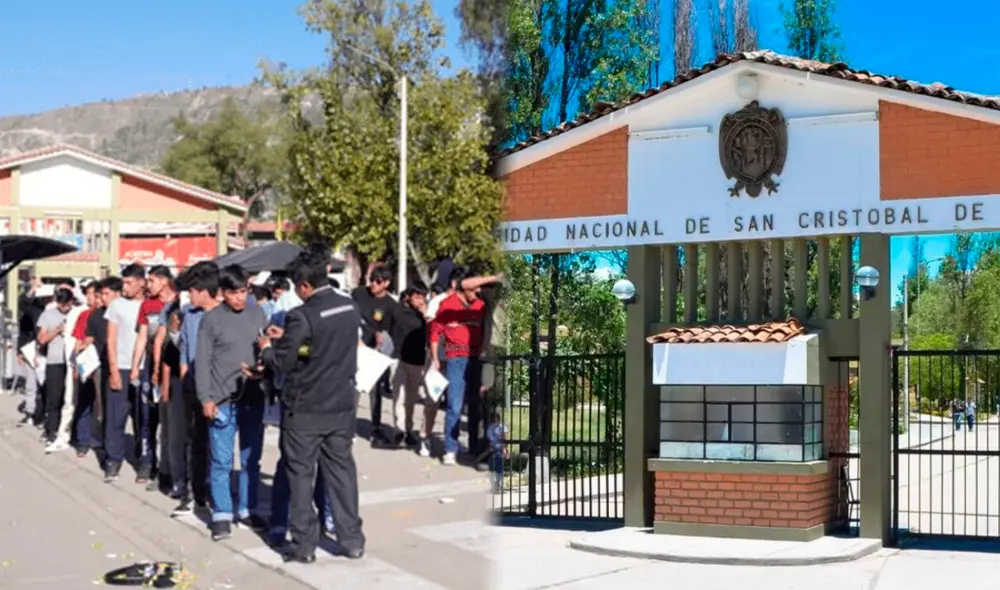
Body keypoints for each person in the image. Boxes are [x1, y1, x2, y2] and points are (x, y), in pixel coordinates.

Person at [257, 252, 365, 564]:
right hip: (341, 405)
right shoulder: (349, 307)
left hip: (305, 408)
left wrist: (268, 348)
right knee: (342, 474)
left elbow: (284, 362)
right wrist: (289, 339)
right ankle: (352, 540)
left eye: (297, 287)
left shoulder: (301, 315)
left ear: (305, 285)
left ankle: (304, 545)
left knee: (301, 476)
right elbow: (318, 347)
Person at [195, 264, 269, 541]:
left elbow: (265, 350)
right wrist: (206, 398)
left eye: (244, 291)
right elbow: (202, 361)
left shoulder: (257, 313)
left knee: (251, 459)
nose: (240, 298)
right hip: (222, 400)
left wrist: (263, 370)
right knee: (222, 461)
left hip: (253, 396)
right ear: (222, 293)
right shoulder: (211, 320)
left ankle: (248, 509)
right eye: (234, 293)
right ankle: (222, 514)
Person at [170, 261, 218, 517]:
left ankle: (215, 493)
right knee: (194, 442)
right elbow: (185, 350)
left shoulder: (223, 315)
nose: (188, 296)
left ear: (204, 290)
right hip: (192, 387)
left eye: (191, 291)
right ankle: (194, 494)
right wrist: (186, 378)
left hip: (218, 388)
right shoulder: (189, 314)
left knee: (217, 445)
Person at [429, 269, 489, 466]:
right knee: (454, 405)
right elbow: (435, 332)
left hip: (476, 359)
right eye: (474, 287)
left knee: (474, 405)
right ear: (464, 286)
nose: (478, 291)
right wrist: (435, 358)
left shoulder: (481, 305)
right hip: (455, 360)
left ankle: (473, 448)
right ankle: (450, 449)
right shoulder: (448, 305)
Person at [130, 265, 176, 488]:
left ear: (164, 281)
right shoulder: (147, 305)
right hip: (150, 366)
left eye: (152, 281)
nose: (148, 285)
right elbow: (142, 337)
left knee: (170, 420)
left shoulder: (178, 303)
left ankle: (168, 469)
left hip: (172, 366)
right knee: (148, 417)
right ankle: (147, 462)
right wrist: (135, 367)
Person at [104, 264, 146, 482]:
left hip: (143, 368)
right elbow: (110, 339)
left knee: (143, 418)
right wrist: (113, 370)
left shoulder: (150, 305)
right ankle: (113, 460)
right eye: (123, 282)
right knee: (116, 417)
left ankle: (143, 460)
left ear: (141, 282)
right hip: (121, 366)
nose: (125, 287)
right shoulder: (117, 306)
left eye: (129, 283)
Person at [385, 284, 434, 453]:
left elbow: (433, 332)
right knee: (398, 396)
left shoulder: (425, 313)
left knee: (411, 399)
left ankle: (409, 429)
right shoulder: (396, 310)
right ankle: (399, 430)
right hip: (398, 358)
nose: (420, 300)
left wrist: (425, 313)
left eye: (423, 297)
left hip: (418, 360)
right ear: (409, 296)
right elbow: (386, 328)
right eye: (417, 297)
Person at [352, 265, 395, 446]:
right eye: (372, 280)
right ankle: (349, 428)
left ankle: (375, 428)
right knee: (353, 389)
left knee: (376, 391)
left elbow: (389, 329)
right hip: (355, 346)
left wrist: (382, 337)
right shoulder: (359, 294)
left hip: (374, 352)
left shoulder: (390, 304)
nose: (373, 285)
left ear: (386, 283)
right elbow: (350, 315)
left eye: (378, 282)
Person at [36, 287, 76, 444]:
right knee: (54, 397)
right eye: (61, 304)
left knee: (70, 398)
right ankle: (51, 429)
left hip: (72, 361)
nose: (63, 308)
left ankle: (68, 430)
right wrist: (57, 331)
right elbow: (41, 339)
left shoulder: (76, 313)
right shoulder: (48, 315)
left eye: (66, 305)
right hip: (55, 361)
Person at [71, 281, 104, 458]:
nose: (93, 298)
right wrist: (77, 364)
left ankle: (98, 438)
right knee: (83, 403)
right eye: (91, 294)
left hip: (102, 366)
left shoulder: (108, 314)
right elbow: (78, 341)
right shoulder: (85, 315)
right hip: (86, 365)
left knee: (101, 406)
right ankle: (82, 441)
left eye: (96, 295)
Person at [15, 278, 46, 428]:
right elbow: (22, 303)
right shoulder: (31, 311)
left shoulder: (52, 310)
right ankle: (30, 411)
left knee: (44, 384)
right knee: (31, 383)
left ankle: (42, 414)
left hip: (46, 351)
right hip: (29, 349)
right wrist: (19, 351)